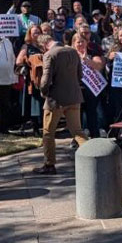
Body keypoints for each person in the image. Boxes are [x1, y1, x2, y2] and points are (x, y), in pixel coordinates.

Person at [33, 34, 87, 175]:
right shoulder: (73, 51)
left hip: (56, 100)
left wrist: (43, 92)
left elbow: (45, 81)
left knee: (48, 133)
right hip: (74, 97)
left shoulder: (50, 55)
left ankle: (49, 165)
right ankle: (94, 157)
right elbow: (80, 75)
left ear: (43, 46)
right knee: (77, 132)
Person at [73, 30, 105, 137]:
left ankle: (95, 136)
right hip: (75, 89)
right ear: (73, 44)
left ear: (87, 42)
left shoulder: (92, 53)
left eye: (82, 41)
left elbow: (99, 65)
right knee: (76, 116)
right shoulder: (70, 54)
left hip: (91, 89)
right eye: (78, 42)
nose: (80, 44)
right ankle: (78, 139)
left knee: (92, 114)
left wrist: (86, 59)